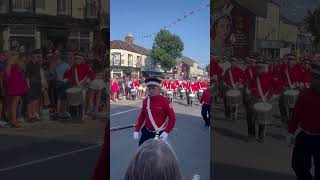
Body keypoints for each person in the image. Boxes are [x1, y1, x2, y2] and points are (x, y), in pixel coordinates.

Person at [287, 73, 320, 180]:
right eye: (312, 77)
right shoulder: (305, 93)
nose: (311, 80)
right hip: (305, 135)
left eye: (315, 78)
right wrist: (291, 132)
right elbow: (296, 113)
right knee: (298, 165)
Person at [133, 78, 176, 146]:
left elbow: (172, 118)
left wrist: (166, 132)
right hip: (147, 132)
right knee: (141, 152)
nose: (151, 91)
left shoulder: (165, 101)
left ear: (159, 89)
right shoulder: (146, 101)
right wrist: (137, 129)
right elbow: (142, 116)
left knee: (161, 154)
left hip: (161, 133)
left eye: (153, 88)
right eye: (149, 88)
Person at [4, 48, 28, 127]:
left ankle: (13, 119)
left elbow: (8, 73)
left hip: (15, 84)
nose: (18, 55)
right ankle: (13, 121)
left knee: (14, 103)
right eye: (16, 54)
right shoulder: (13, 62)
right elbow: (7, 73)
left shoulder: (12, 62)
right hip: (15, 85)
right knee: (14, 104)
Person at [25, 49, 45, 122]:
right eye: (37, 56)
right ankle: (30, 116)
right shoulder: (29, 64)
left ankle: (34, 114)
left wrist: (42, 84)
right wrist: (28, 85)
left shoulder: (38, 64)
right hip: (31, 84)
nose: (39, 57)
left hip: (38, 84)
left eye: (39, 56)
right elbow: (27, 76)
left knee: (36, 100)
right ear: (33, 55)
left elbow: (39, 75)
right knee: (30, 101)